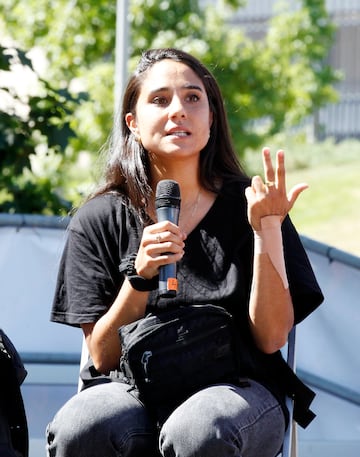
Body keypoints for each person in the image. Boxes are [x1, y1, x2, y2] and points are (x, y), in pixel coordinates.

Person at [46, 48, 323, 457]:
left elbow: (271, 337)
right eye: (160, 100)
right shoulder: (98, 218)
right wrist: (139, 277)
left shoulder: (252, 205)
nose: (179, 109)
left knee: (199, 429)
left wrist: (267, 229)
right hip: (130, 388)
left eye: (193, 98)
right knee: (81, 426)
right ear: (133, 124)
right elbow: (103, 358)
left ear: (211, 118)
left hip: (237, 389)